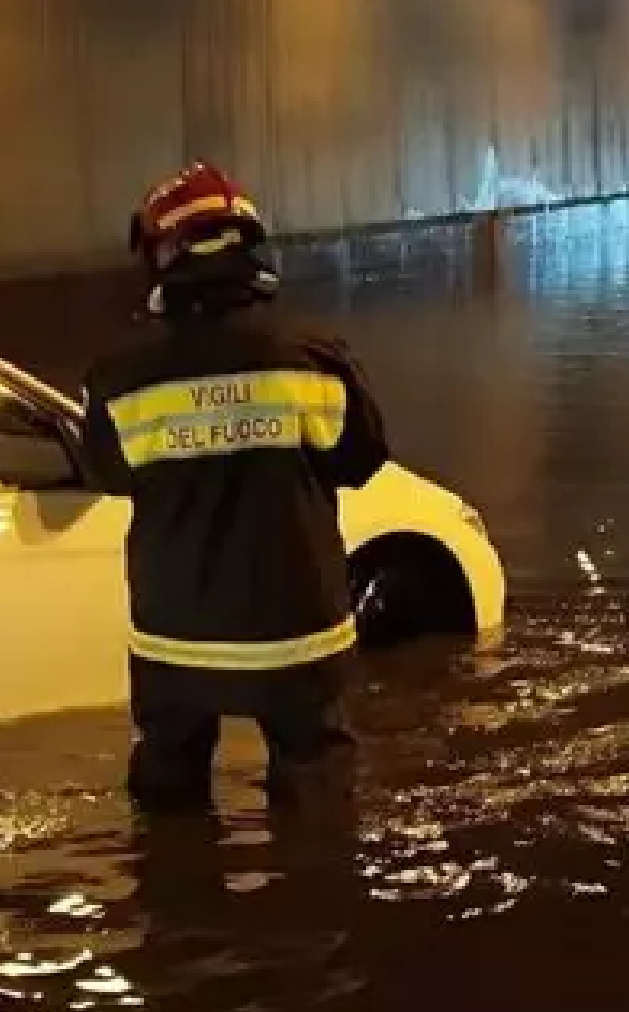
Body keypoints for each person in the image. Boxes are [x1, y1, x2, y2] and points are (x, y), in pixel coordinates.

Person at [79, 160, 391, 813]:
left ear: (164, 256)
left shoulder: (121, 379)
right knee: (316, 797)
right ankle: (317, 906)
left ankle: (176, 907)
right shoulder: (313, 358)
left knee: (168, 800)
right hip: (297, 630)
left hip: (175, 636)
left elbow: (107, 475)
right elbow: (362, 460)